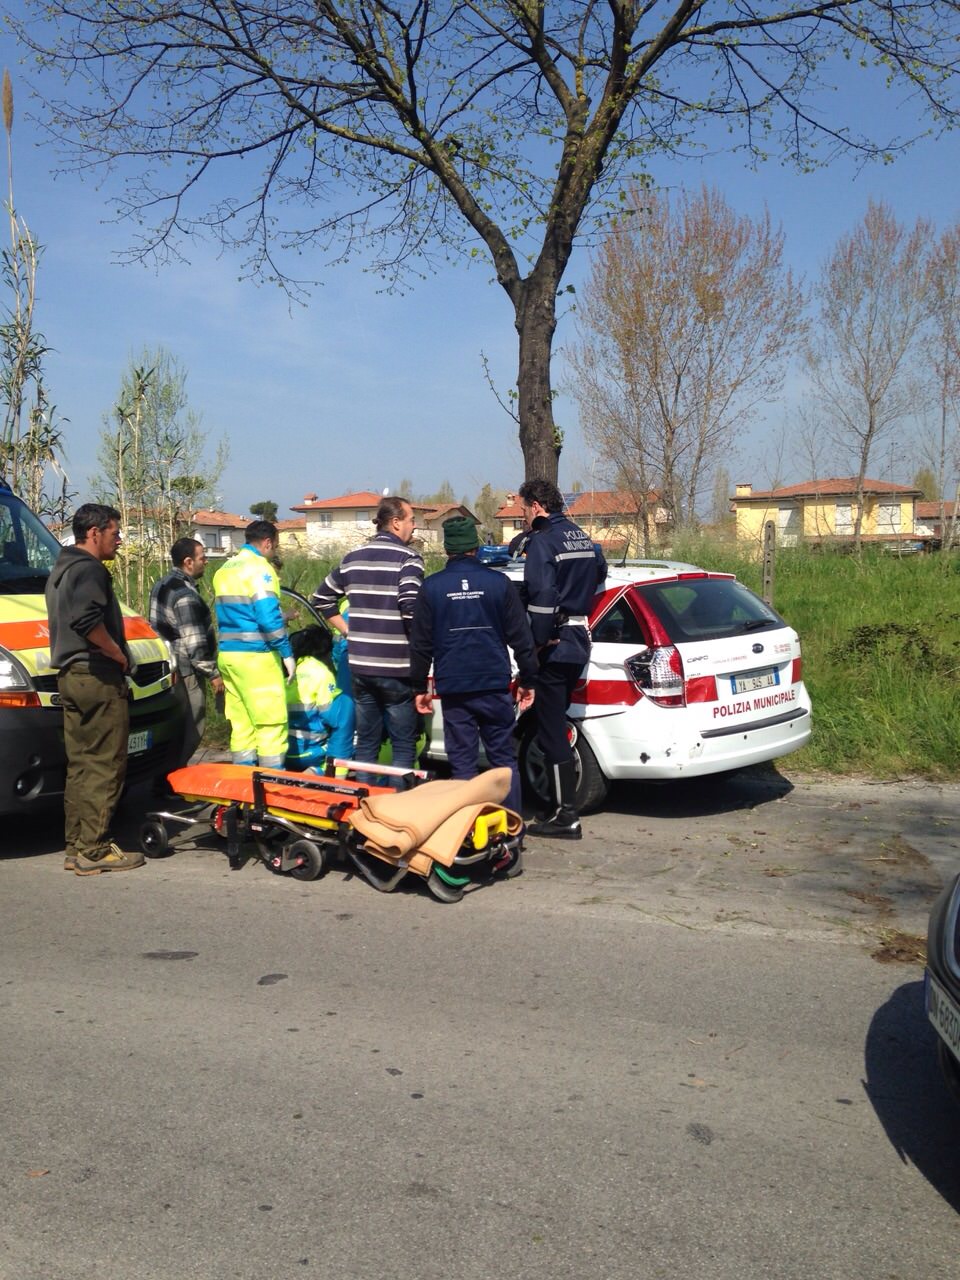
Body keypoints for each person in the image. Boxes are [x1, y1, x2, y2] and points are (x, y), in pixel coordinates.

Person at [410, 516, 536, 816]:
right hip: (493, 684)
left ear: (447, 549)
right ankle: (511, 832)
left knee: (463, 764)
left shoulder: (431, 588)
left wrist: (418, 688)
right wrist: (530, 679)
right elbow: (522, 637)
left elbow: (420, 644)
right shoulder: (499, 584)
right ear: (476, 547)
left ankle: (466, 831)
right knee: (504, 761)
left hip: (454, 688)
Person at [45, 503, 145, 875]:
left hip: (70, 676)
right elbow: (87, 620)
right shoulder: (89, 570)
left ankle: (76, 845)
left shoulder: (60, 569)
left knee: (82, 764)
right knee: (106, 762)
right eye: (115, 533)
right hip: (97, 676)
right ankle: (95, 848)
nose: (119, 541)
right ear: (94, 533)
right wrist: (118, 653)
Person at [519, 478, 607, 839]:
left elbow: (540, 596)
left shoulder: (543, 542)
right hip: (579, 638)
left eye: (524, 508)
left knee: (550, 728)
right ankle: (557, 804)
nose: (523, 514)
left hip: (555, 643)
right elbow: (600, 573)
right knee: (558, 723)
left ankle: (565, 815)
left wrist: (537, 642)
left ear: (537, 505)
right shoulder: (582, 537)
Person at [312, 496, 424, 772]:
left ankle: (364, 806)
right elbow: (411, 610)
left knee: (366, 745)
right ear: (396, 523)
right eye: (412, 520)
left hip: (361, 665)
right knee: (403, 746)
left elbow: (320, 598)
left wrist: (349, 631)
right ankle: (397, 809)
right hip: (396, 666)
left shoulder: (352, 558)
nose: (415, 527)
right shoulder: (408, 560)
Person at [212, 520, 294, 768]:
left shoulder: (224, 568)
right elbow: (268, 618)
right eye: (275, 546)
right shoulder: (260, 569)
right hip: (256, 659)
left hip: (228, 655)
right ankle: (270, 794)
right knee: (270, 726)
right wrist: (287, 653)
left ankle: (243, 792)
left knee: (242, 726)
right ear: (268, 543)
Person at [149, 537, 224, 769]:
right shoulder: (185, 595)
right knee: (192, 726)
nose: (206, 563)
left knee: (175, 726)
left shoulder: (163, 584)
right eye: (203, 558)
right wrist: (213, 674)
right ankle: (173, 779)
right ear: (188, 562)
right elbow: (195, 643)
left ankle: (165, 776)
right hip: (186, 669)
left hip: (168, 666)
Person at [285, 625, 356, 772]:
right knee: (354, 738)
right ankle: (319, 773)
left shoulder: (290, 672)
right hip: (312, 752)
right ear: (326, 652)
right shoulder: (322, 674)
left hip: (285, 752)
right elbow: (334, 719)